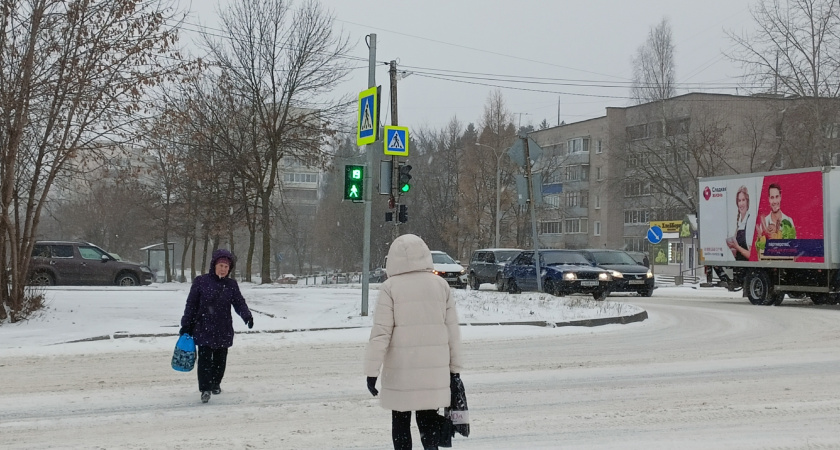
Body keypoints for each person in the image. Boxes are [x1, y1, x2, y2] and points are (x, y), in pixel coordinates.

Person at [364, 234, 463, 450]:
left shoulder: (390, 288)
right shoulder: (440, 285)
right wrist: (454, 370)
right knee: (428, 421)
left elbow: (381, 333)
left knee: (400, 422)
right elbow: (452, 332)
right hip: (432, 371)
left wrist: (372, 371)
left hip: (401, 371)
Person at [180, 248, 254, 404]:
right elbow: (191, 305)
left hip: (223, 328)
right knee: (205, 360)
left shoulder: (231, 285)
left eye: (226, 267)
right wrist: (186, 325)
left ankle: (215, 383)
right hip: (203, 326)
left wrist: (247, 316)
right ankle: (205, 389)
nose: (223, 269)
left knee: (220, 360)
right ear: (214, 265)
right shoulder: (201, 282)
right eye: (221, 265)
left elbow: (239, 303)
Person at [727, 185, 752, 261]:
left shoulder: (750, 221)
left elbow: (751, 255)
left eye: (743, 200)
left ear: (747, 201)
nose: (741, 203)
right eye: (739, 200)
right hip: (739, 266)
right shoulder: (739, 222)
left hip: (748, 269)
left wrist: (737, 247)